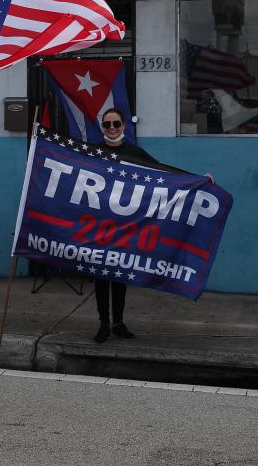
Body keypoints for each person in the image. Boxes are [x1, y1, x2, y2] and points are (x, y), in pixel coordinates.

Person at [93, 108, 160, 343]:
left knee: (120, 276)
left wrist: (198, 181)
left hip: (124, 228)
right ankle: (103, 323)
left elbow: (163, 174)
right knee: (100, 277)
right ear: (102, 127)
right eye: (107, 124)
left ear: (124, 126)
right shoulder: (92, 153)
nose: (112, 128)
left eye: (116, 124)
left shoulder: (134, 152)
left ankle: (118, 323)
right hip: (100, 227)